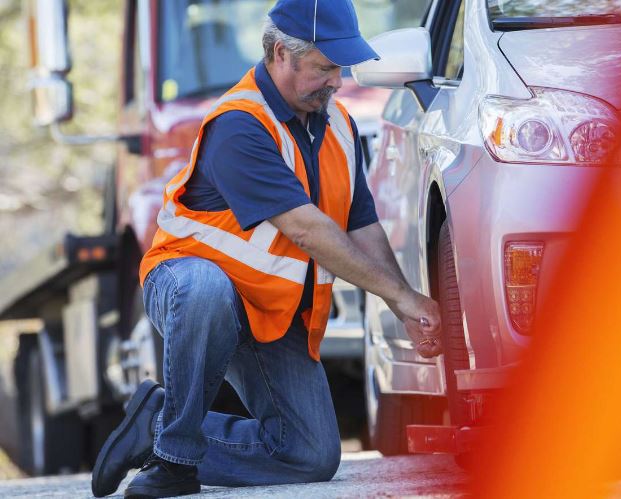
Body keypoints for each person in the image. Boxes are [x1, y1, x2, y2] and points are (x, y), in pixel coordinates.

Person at [91, 0, 441, 497]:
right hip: (192, 289)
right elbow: (307, 230)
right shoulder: (240, 124)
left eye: (339, 69)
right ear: (281, 53)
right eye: (324, 67)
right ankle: (173, 461)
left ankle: (157, 424)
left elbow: (360, 224)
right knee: (207, 289)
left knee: (309, 455)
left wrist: (400, 300)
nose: (337, 81)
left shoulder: (336, 123)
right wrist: (404, 298)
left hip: (270, 310)